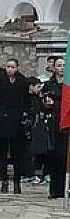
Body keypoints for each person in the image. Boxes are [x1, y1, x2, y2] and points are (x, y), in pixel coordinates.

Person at [0, 58, 30, 194]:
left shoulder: (23, 81)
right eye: (8, 67)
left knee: (17, 152)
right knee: (2, 152)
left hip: (17, 119)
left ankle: (17, 181)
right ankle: (4, 180)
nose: (10, 69)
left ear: (17, 68)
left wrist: (25, 114)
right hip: (3, 117)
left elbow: (26, 101)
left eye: (13, 67)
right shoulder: (0, 80)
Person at [42, 57, 67, 199]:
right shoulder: (49, 85)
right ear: (54, 68)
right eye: (59, 65)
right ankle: (54, 189)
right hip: (52, 123)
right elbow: (43, 101)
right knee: (54, 156)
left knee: (64, 156)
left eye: (64, 65)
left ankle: (65, 187)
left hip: (65, 123)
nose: (62, 68)